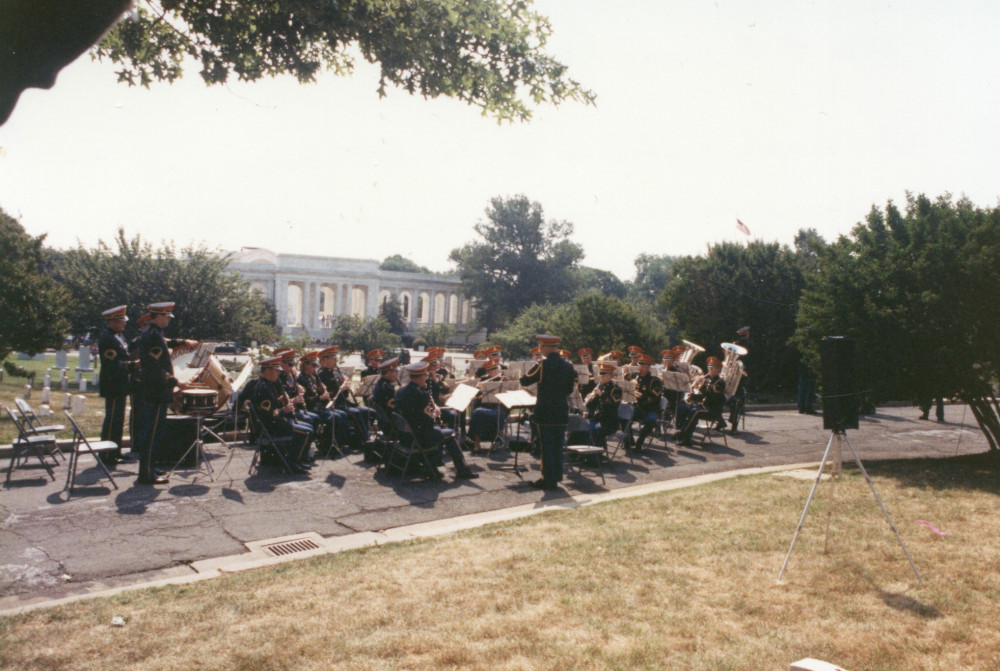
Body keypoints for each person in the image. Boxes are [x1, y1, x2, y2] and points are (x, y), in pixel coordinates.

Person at [394, 361, 477, 480]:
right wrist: (435, 413)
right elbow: (428, 423)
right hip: (418, 437)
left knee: (441, 431)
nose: (426, 378)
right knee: (450, 434)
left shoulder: (401, 391)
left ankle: (431, 467)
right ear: (421, 377)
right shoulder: (420, 395)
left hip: (405, 435)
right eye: (425, 376)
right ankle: (462, 470)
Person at [135, 302, 184, 485]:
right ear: (160, 316)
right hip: (156, 392)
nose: (168, 321)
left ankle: (150, 467)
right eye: (167, 318)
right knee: (151, 433)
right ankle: (146, 474)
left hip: (155, 391)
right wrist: (175, 382)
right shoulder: (153, 336)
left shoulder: (155, 334)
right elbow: (154, 368)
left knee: (154, 432)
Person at [520, 334, 576, 490]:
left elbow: (524, 380)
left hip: (545, 411)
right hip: (561, 410)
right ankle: (556, 477)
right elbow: (569, 389)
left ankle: (547, 479)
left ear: (546, 348)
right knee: (558, 445)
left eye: (541, 347)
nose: (540, 350)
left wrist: (536, 364)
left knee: (546, 446)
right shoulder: (568, 366)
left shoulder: (543, 365)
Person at [251, 355, 313, 472]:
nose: (279, 374)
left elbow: (272, 404)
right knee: (306, 432)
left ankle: (299, 460)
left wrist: (281, 400)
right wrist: (284, 410)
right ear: (268, 371)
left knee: (309, 427)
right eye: (276, 371)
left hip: (277, 421)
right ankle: (293, 462)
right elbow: (268, 415)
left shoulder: (269, 384)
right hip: (271, 426)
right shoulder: (263, 388)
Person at [97, 305, 134, 465]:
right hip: (112, 385)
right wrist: (133, 365)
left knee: (118, 419)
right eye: (121, 321)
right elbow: (113, 364)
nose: (124, 324)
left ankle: (116, 450)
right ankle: (107, 454)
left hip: (120, 384)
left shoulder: (119, 337)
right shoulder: (108, 339)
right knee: (112, 420)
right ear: (111, 322)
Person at [674, 356, 727, 447]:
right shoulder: (707, 379)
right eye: (709, 367)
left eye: (713, 368)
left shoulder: (720, 382)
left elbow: (712, 397)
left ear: (718, 370)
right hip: (705, 406)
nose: (710, 370)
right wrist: (692, 396)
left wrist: (701, 385)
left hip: (713, 409)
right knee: (684, 406)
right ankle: (684, 434)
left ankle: (683, 434)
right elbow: (703, 395)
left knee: (695, 412)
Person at [297, 350, 336, 456]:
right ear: (305, 365)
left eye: (315, 365)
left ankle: (332, 444)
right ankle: (325, 445)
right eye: (313, 365)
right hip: (310, 408)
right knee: (331, 417)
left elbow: (318, 392)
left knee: (337, 415)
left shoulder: (312, 377)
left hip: (318, 406)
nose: (315, 368)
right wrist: (320, 397)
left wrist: (323, 389)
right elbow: (307, 399)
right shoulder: (301, 379)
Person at [631, 354, 663, 451]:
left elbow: (656, 398)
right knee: (623, 415)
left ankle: (640, 441)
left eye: (643, 365)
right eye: (639, 365)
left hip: (650, 409)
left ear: (649, 367)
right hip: (638, 408)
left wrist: (641, 397)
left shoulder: (655, 381)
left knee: (651, 420)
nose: (640, 367)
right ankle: (628, 440)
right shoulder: (635, 377)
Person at [586, 362, 623, 447]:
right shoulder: (600, 386)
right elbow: (593, 406)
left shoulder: (616, 389)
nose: (601, 377)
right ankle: (584, 454)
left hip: (610, 422)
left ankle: (597, 454)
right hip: (598, 418)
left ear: (611, 375)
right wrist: (590, 399)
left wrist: (601, 395)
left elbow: (613, 405)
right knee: (582, 427)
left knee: (595, 430)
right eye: (601, 374)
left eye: (604, 375)